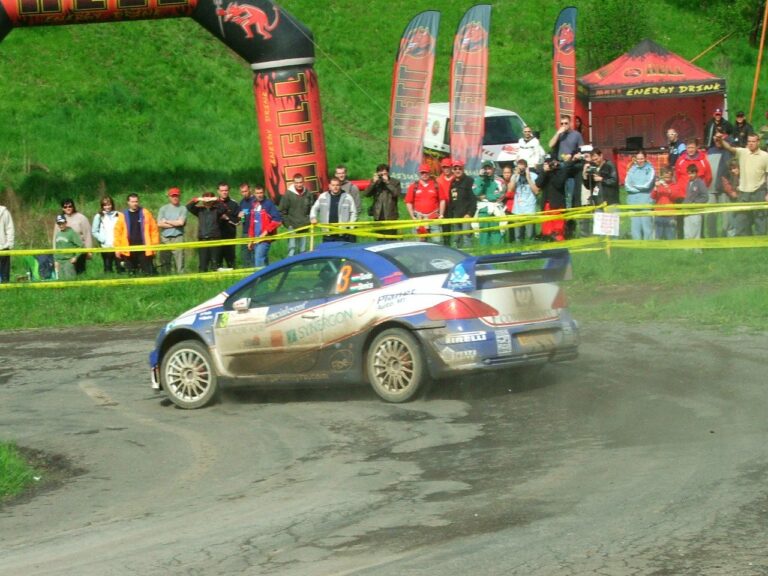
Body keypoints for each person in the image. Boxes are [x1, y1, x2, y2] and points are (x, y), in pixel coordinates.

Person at [716, 132, 768, 236]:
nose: (751, 143)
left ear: (758, 142)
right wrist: (721, 140)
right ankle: (745, 248)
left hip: (759, 192)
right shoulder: (742, 152)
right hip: (744, 193)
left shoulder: (765, 156)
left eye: (753, 141)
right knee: (742, 222)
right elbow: (730, 148)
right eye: (749, 141)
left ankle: (760, 247)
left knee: (761, 223)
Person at [113, 193, 160, 275]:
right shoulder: (123, 215)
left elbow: (154, 230)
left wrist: (154, 246)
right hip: (128, 248)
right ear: (128, 202)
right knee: (131, 273)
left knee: (148, 272)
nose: (135, 204)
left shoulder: (145, 213)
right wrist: (117, 249)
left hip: (144, 248)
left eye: (136, 201)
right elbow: (117, 233)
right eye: (132, 202)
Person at [186, 192, 227, 272]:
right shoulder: (199, 210)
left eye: (209, 200)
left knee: (215, 265)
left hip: (214, 239)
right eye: (206, 200)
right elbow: (188, 207)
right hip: (203, 240)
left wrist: (216, 199)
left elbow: (224, 208)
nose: (207, 202)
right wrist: (198, 199)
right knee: (203, 265)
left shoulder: (217, 210)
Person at [310, 177, 358, 243]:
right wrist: (313, 217)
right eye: (333, 185)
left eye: (337, 185)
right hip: (327, 234)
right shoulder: (322, 196)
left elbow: (353, 213)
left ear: (340, 186)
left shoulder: (348, 197)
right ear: (329, 186)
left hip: (342, 234)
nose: (335, 187)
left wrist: (350, 227)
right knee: (328, 253)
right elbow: (314, 208)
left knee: (341, 253)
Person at [405, 164, 446, 243]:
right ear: (419, 174)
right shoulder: (414, 186)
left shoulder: (436, 185)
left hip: (433, 218)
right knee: (419, 243)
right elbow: (408, 202)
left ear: (429, 173)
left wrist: (441, 214)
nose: (424, 175)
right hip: (418, 219)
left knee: (437, 241)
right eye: (422, 173)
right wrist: (412, 216)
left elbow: (442, 200)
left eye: (426, 173)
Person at [52, 198, 92, 275]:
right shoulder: (60, 220)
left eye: (70, 206)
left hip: (79, 251)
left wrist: (89, 251)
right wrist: (55, 254)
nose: (68, 208)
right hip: (65, 254)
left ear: (73, 206)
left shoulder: (81, 218)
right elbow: (55, 238)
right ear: (62, 208)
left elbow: (87, 235)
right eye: (65, 207)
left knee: (80, 273)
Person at [624, 150, 656, 240]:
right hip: (633, 202)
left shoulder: (651, 169)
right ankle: (637, 245)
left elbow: (647, 185)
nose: (640, 160)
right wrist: (636, 188)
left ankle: (648, 245)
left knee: (647, 226)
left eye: (642, 158)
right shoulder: (631, 169)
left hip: (646, 202)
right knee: (635, 226)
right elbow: (626, 185)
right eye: (638, 159)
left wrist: (635, 186)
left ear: (645, 158)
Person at [247, 186, 282, 267]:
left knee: (258, 260)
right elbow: (252, 223)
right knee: (264, 260)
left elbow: (277, 220)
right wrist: (250, 239)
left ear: (264, 193)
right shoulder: (253, 204)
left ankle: (259, 279)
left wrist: (266, 232)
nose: (259, 195)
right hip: (255, 238)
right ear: (254, 194)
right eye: (257, 193)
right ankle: (268, 277)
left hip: (265, 239)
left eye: (261, 193)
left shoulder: (269, 204)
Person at [363, 163, 401, 237]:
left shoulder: (395, 182)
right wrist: (373, 183)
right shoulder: (375, 182)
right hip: (378, 215)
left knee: (391, 239)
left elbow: (396, 194)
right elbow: (366, 194)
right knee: (379, 239)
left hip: (390, 216)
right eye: (381, 174)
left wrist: (387, 183)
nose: (382, 176)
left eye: (384, 173)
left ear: (388, 173)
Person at [473, 160, 505, 245]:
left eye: (489, 168)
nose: (487, 170)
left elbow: (501, 196)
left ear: (494, 169)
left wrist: (486, 196)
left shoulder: (499, 181)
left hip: (495, 211)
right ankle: (484, 253)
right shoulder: (478, 179)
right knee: (483, 234)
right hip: (482, 210)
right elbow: (476, 193)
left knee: (496, 233)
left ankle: (498, 253)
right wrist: (481, 178)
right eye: (485, 168)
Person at [279, 174, 313, 256]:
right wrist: (288, 224)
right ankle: (289, 265)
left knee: (303, 249)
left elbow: (312, 209)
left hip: (305, 225)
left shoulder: (308, 194)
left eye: (301, 182)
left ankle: (303, 266)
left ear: (303, 182)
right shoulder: (288, 194)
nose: (299, 184)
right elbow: (282, 211)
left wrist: (308, 220)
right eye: (297, 182)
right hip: (292, 226)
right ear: (293, 182)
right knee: (292, 249)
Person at [446, 160, 477, 248]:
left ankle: (470, 257)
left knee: (467, 237)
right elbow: (451, 200)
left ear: (463, 169)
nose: (457, 170)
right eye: (455, 169)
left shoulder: (469, 181)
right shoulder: (452, 183)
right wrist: (450, 215)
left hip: (466, 215)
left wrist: (470, 213)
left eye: (459, 168)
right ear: (452, 170)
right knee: (456, 239)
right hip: (456, 215)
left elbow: (473, 199)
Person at [157, 187, 187, 274]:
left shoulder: (183, 208)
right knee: (165, 260)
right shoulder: (163, 209)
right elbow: (159, 224)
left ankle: (181, 277)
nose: (175, 198)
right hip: (165, 238)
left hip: (178, 237)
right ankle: (166, 277)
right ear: (169, 197)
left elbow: (181, 223)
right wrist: (175, 223)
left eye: (176, 196)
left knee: (180, 260)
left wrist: (166, 221)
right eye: (173, 196)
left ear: (179, 196)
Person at [509, 158, 540, 241]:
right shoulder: (515, 176)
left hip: (529, 209)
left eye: (523, 168)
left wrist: (528, 178)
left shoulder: (533, 176)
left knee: (530, 235)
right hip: (517, 209)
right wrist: (515, 175)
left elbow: (536, 191)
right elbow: (510, 189)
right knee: (518, 236)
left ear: (526, 167)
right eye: (519, 168)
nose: (521, 170)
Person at [651, 166, 683, 240]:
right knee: (658, 237)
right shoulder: (659, 185)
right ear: (662, 176)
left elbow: (675, 196)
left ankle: (672, 250)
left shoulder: (675, 185)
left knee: (671, 236)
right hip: (658, 213)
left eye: (668, 176)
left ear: (672, 176)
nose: (667, 178)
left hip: (670, 214)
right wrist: (655, 188)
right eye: (665, 176)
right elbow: (653, 196)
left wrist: (667, 188)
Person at [92, 196, 121, 273]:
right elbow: (94, 231)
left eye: (109, 204)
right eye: (105, 205)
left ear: (112, 205)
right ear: (102, 206)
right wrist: (102, 239)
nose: (107, 207)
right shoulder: (98, 216)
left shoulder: (119, 215)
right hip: (106, 247)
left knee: (120, 267)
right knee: (108, 268)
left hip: (118, 246)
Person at [682, 164, 708, 246]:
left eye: (692, 173)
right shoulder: (688, 183)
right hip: (687, 211)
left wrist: (695, 203)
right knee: (687, 231)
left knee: (696, 232)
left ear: (696, 173)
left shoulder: (700, 183)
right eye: (689, 173)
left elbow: (705, 197)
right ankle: (688, 250)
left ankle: (697, 250)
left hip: (696, 211)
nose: (690, 175)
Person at [216, 182, 239, 268]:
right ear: (218, 191)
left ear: (229, 191)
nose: (224, 192)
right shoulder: (214, 203)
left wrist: (227, 218)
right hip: (217, 237)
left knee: (231, 262)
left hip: (230, 237)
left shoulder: (234, 204)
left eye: (226, 190)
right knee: (217, 263)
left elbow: (238, 220)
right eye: (222, 190)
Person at [53, 213, 83, 280]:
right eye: (59, 224)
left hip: (68, 261)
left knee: (70, 280)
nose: (61, 225)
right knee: (61, 281)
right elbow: (57, 248)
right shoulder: (58, 234)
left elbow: (80, 246)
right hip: (59, 261)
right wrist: (55, 260)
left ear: (66, 222)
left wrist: (75, 257)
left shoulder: (71, 233)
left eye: (62, 223)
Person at [436, 158, 455, 245]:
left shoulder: (456, 178)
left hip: (455, 206)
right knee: (444, 227)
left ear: (451, 167)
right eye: (444, 167)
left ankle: (457, 244)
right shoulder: (438, 180)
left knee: (455, 226)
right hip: (443, 207)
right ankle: (446, 244)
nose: (446, 169)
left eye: (448, 167)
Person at [237, 182, 255, 265]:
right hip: (245, 231)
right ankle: (246, 272)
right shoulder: (242, 202)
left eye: (246, 191)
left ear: (250, 190)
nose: (244, 193)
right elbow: (240, 218)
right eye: (242, 192)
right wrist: (239, 217)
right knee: (245, 254)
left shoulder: (255, 200)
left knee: (254, 254)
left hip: (255, 231)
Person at [0, 203, 14, 284]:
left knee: (5, 271)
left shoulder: (4, 212)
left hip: (3, 247)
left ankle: (5, 288)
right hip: (4, 246)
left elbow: (10, 229)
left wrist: (9, 244)